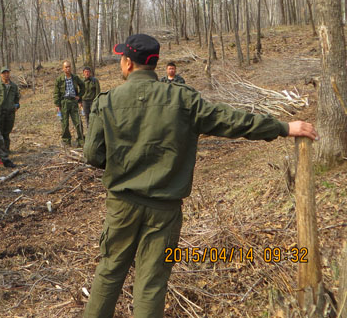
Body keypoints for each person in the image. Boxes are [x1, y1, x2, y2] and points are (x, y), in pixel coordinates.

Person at [82, 34, 319, 318]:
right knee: (151, 283)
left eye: (122, 58)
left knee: (109, 274)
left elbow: (93, 155)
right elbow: (232, 120)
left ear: (128, 63)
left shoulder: (107, 102)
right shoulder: (183, 100)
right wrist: (282, 127)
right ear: (154, 63)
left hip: (122, 206)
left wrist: (122, 164)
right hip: (164, 210)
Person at [53, 61, 85, 146]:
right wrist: (57, 104)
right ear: (63, 69)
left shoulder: (75, 78)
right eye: (66, 67)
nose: (68, 68)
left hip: (73, 102)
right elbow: (56, 93)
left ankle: (81, 140)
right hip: (64, 102)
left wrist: (79, 96)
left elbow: (83, 86)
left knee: (78, 121)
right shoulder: (59, 79)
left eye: (69, 67)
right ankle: (66, 140)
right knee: (65, 123)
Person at [0, 67, 20, 156]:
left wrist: (16, 105)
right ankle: (0, 152)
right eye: (4, 73)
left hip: (10, 113)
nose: (6, 75)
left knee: (7, 132)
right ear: (0, 75)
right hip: (0, 113)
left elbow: (17, 98)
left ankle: (6, 150)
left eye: (7, 73)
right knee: (0, 132)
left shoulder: (14, 86)